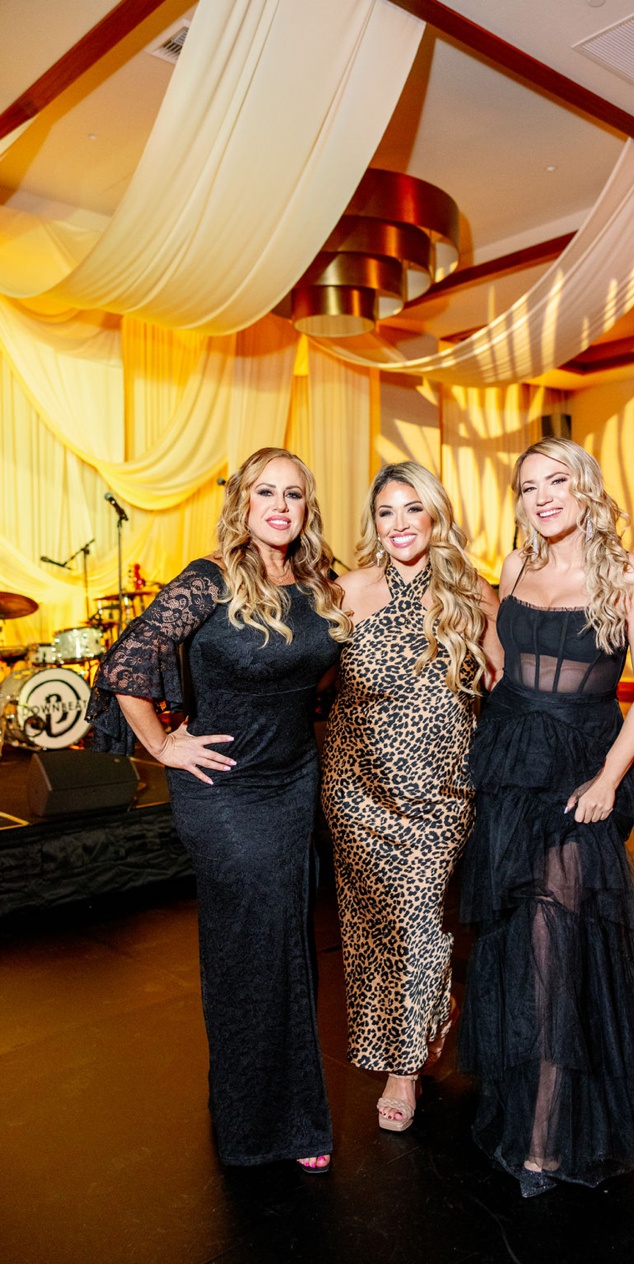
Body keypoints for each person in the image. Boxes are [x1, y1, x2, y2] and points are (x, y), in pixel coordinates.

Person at [88, 447, 348, 1173]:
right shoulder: (209, 580)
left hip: (292, 780)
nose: (279, 506)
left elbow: (321, 671)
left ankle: (274, 1103)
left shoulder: (316, 584)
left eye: (293, 494)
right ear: (242, 501)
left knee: (285, 941)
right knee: (250, 943)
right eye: (265, 492)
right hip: (223, 786)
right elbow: (126, 667)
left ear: (306, 507)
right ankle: (261, 1122)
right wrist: (164, 743)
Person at [459, 436, 634, 1195]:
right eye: (526, 487)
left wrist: (611, 778)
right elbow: (496, 663)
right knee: (516, 942)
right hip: (510, 764)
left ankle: (549, 1135)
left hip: (582, 768)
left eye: (555, 481)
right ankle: (528, 1109)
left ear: (585, 487)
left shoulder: (628, 574)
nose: (541, 496)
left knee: (558, 944)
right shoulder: (515, 568)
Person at [321, 462, 498, 1132]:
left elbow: (510, 684)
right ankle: (419, 1019)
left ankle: (404, 1069)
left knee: (419, 922)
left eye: (412, 509)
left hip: (440, 792)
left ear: (435, 517)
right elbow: (294, 675)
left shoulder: (471, 595)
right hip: (357, 788)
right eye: (386, 511)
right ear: (374, 522)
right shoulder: (344, 591)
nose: (399, 524)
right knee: (374, 927)